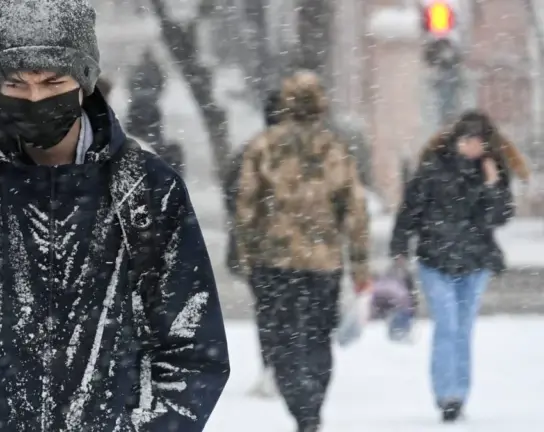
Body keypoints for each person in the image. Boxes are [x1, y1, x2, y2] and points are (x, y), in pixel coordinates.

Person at [0, 1, 230, 431]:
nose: (35, 98)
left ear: (83, 81)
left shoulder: (147, 192)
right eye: (15, 83)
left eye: (52, 81)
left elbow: (193, 350)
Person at [235, 70, 370, 432]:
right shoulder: (336, 149)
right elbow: (355, 209)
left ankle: (300, 407)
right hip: (323, 262)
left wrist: (247, 253)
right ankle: (312, 406)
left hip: (273, 261)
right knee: (317, 337)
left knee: (282, 339)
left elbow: (246, 205)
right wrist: (359, 264)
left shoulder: (263, 147)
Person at [390, 110, 528, 423]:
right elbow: (409, 212)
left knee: (463, 329)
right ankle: (446, 394)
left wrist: (493, 186)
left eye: (480, 141)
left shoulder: (491, 172)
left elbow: (499, 218)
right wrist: (399, 248)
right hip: (435, 260)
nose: (475, 146)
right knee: (447, 325)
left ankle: (458, 396)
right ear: (457, 141)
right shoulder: (431, 171)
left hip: (475, 261)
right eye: (469, 140)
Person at [223, 89, 283, 398]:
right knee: (296, 308)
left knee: (269, 310)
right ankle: (291, 366)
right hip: (302, 250)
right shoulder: (315, 152)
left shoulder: (249, 151)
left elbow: (232, 196)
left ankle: (273, 367)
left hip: (260, 250)